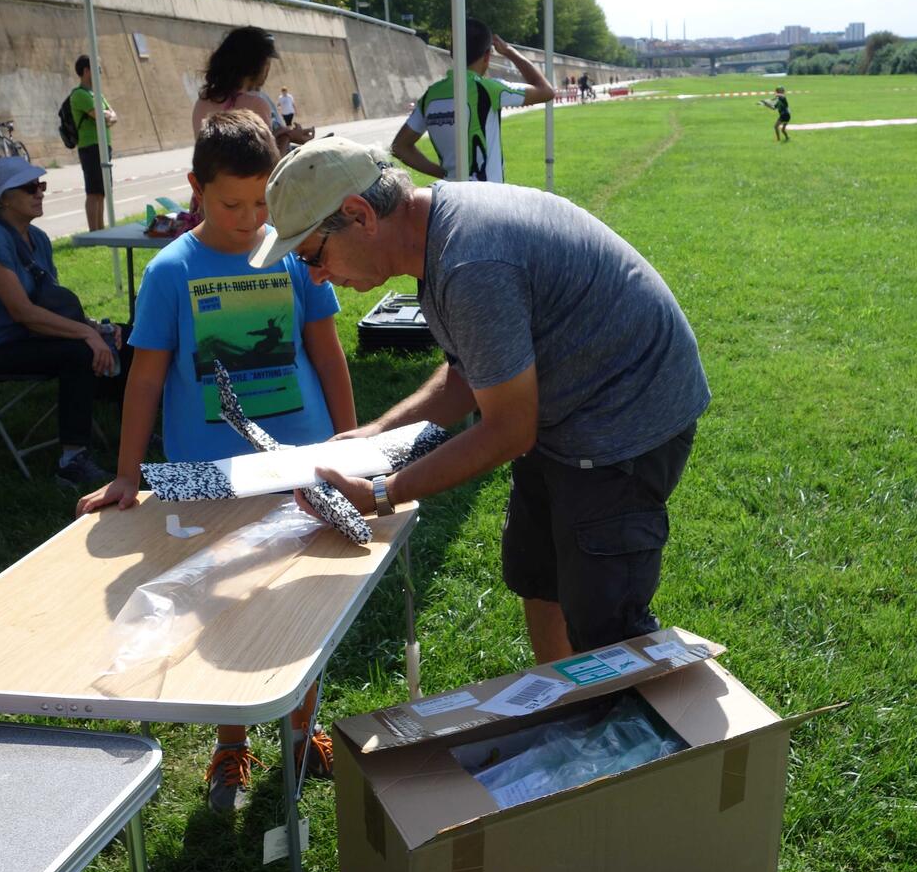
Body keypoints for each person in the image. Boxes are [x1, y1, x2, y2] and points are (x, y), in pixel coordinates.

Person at [250, 137, 710, 666]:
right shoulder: (435, 236)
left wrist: (382, 494)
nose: (315, 274)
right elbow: (474, 373)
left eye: (312, 255)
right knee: (537, 576)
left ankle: (622, 714)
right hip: (564, 407)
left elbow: (509, 430)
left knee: (606, 624)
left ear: (360, 215)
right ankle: (566, 702)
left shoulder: (468, 262)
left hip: (623, 422)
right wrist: (376, 435)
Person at [76, 111, 355, 816]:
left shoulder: (292, 252)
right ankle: (233, 741)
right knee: (219, 608)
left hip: (299, 469)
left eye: (262, 201)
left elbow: (326, 352)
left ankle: (303, 727)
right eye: (233, 204)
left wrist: (350, 444)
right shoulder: (170, 271)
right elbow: (144, 378)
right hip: (209, 482)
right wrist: (127, 473)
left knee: (300, 601)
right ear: (195, 189)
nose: (251, 218)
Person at [0, 157, 120, 488]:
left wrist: (95, 327)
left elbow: (49, 303)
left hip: (32, 337)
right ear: (4, 198)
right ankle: (72, 460)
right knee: (79, 353)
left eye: (41, 185)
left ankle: (132, 431)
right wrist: (86, 335)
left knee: (126, 337)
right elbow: (22, 312)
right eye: (29, 187)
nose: (40, 192)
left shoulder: (38, 238)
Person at [391, 18, 556, 182]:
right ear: (487, 56)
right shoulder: (489, 89)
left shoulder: (431, 95)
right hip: (487, 194)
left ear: (452, 52)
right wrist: (509, 52)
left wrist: (444, 174)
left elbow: (399, 147)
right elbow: (546, 91)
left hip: (451, 194)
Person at [190, 26, 313, 151]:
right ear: (255, 65)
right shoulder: (256, 104)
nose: (267, 69)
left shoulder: (202, 102)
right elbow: (270, 161)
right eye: (267, 63)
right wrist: (287, 137)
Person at [70, 55, 117, 231]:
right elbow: (100, 115)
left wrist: (107, 116)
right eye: (96, 68)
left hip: (104, 145)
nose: (100, 72)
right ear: (86, 71)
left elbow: (113, 115)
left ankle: (101, 229)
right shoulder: (79, 94)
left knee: (103, 191)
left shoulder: (96, 94)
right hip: (90, 147)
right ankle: (93, 231)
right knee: (93, 191)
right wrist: (106, 116)